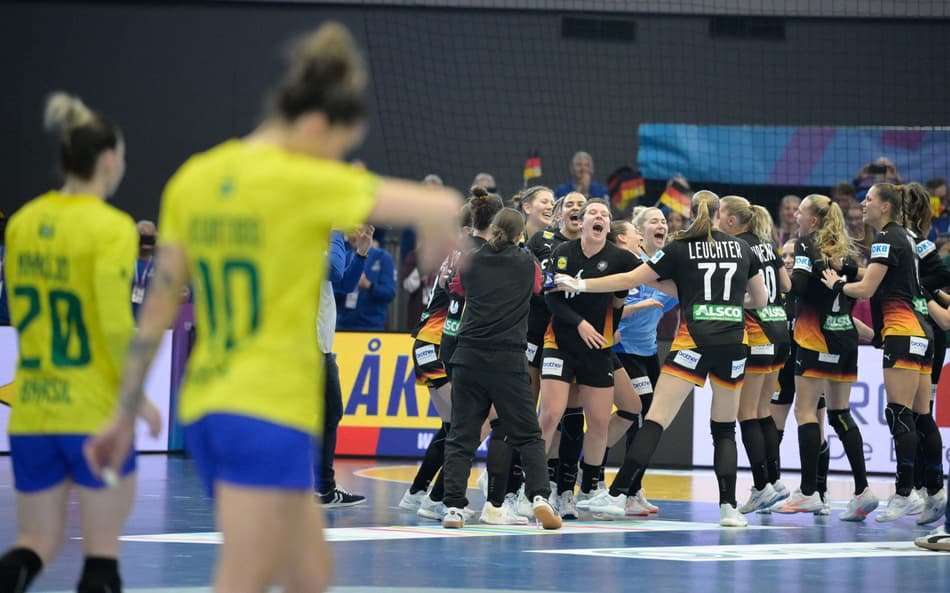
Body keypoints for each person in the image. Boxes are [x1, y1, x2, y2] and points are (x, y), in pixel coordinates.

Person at [84, 23, 461, 593]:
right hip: (266, 408)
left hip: (210, 402)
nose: (336, 158)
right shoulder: (303, 180)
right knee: (245, 577)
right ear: (315, 125)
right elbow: (438, 201)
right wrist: (441, 225)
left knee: (310, 573)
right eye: (338, 144)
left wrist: (123, 403)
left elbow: (158, 308)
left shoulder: (195, 178)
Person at [0, 92, 161, 593]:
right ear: (108, 159)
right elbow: (116, 325)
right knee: (100, 557)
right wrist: (136, 399)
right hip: (92, 415)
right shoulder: (111, 228)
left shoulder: (23, 223)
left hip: (31, 410)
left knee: (35, 541)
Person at [561, 190, 768, 526]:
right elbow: (760, 300)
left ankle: (617, 495)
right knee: (724, 428)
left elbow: (629, 279)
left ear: (690, 214)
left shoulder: (680, 247)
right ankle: (729, 508)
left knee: (655, 418)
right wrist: (726, 304)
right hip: (733, 340)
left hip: (693, 339)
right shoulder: (742, 247)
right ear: (719, 216)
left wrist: (580, 285)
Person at [441, 208, 561, 530]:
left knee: (461, 436)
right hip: (508, 360)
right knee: (529, 435)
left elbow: (456, 292)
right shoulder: (526, 263)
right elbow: (541, 289)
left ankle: (453, 507)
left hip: (468, 357)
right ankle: (539, 497)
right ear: (520, 235)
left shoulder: (470, 259)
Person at [821, 183, 934, 523]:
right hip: (922, 331)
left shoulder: (886, 238)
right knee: (917, 416)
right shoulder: (910, 238)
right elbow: (888, 279)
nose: (863, 204)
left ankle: (904, 493)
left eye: (869, 199)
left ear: (886, 206)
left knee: (899, 414)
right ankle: (930, 491)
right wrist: (850, 269)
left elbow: (869, 289)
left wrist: (837, 284)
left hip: (901, 330)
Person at [772, 194, 877, 520]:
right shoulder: (845, 249)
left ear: (813, 220)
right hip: (844, 337)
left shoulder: (805, 244)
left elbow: (799, 287)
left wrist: (777, 267)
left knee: (805, 412)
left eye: (801, 213)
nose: (797, 218)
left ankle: (809, 492)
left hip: (814, 337)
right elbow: (857, 275)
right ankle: (862, 490)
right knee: (839, 413)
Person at [539, 199, 641, 517]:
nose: (599, 217)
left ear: (608, 227)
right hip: (560, 343)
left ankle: (588, 490)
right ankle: (536, 491)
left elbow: (621, 299)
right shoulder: (563, 253)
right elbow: (551, 298)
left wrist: (620, 304)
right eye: (593, 213)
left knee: (598, 421)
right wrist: (580, 323)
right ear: (582, 223)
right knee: (550, 415)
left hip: (597, 348)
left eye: (605, 215)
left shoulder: (622, 258)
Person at [718, 196, 791, 514]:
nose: (717, 220)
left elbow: (744, 295)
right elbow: (786, 284)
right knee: (762, 411)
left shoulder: (739, 247)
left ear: (734, 219)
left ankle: (761, 486)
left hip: (758, 331)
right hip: (780, 330)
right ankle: (773, 482)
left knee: (747, 412)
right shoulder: (766, 245)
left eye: (719, 214)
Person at [608, 210, 676, 515]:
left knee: (648, 417)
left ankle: (633, 489)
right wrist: (640, 307)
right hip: (623, 350)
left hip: (649, 352)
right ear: (638, 231)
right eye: (654, 222)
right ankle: (621, 488)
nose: (661, 225)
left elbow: (678, 296)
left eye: (664, 221)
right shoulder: (629, 266)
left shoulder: (664, 267)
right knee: (638, 411)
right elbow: (611, 309)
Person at [316, 227, 369, 508]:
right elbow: (335, 272)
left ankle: (322, 488)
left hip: (319, 349)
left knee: (328, 416)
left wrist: (360, 253)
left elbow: (344, 284)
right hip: (307, 351)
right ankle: (320, 488)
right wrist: (334, 231)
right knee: (323, 417)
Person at [334, 232, 396, 331]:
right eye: (351, 230)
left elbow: (389, 293)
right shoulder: (343, 257)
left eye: (358, 231)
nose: (354, 235)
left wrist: (368, 285)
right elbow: (333, 292)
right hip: (342, 326)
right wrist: (348, 284)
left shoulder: (382, 257)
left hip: (371, 327)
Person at [131, 220, 157, 321]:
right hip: (129, 325)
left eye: (150, 237)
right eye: (143, 236)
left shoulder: (160, 267)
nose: (146, 240)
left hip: (153, 325)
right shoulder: (125, 263)